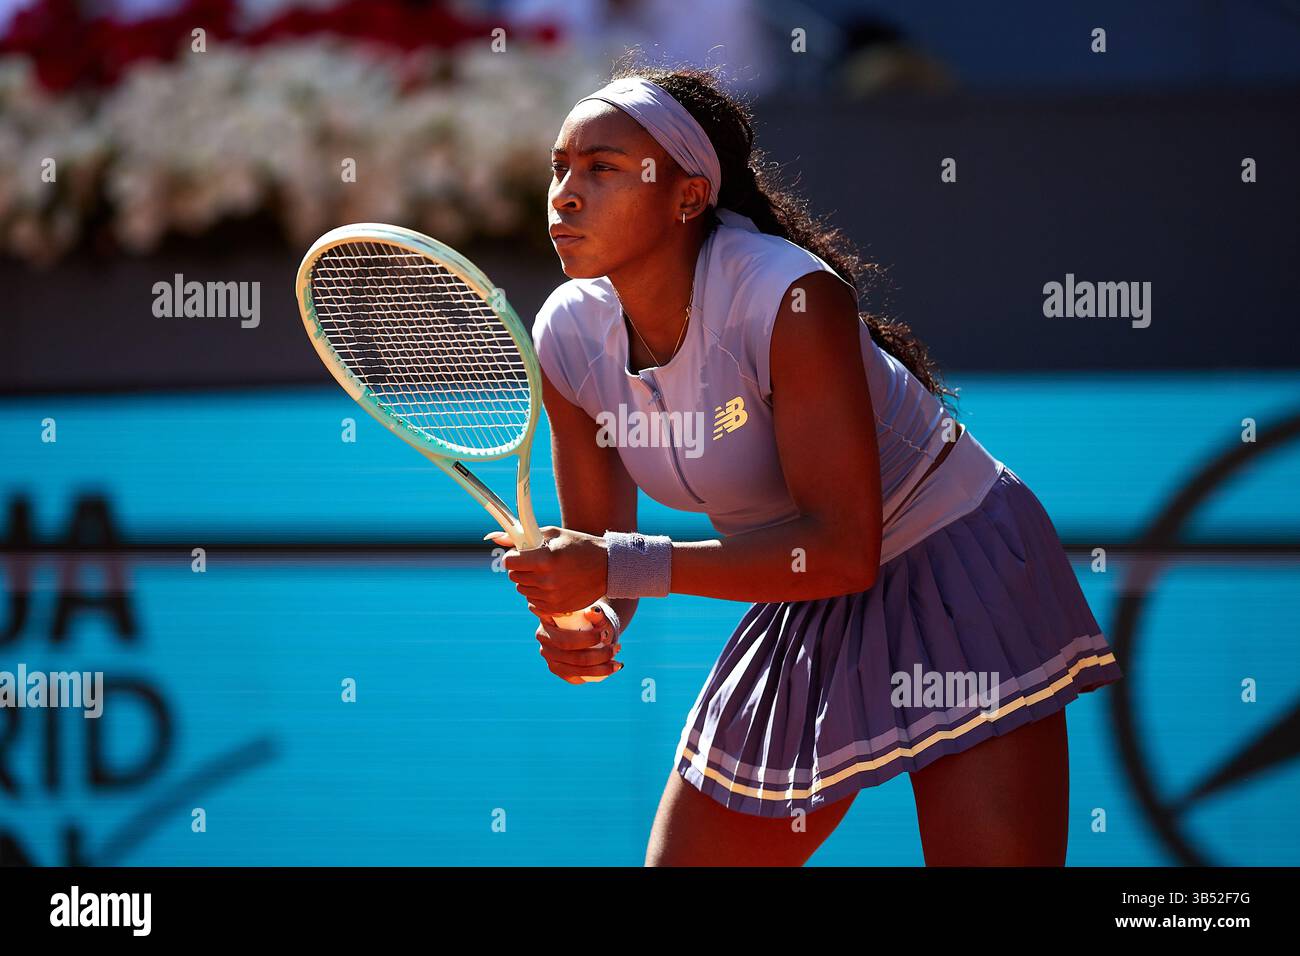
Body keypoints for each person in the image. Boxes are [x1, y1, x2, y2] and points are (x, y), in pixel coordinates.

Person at [488, 58, 1124, 866]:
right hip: (804, 585)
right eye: (560, 170)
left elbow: (840, 549)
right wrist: (595, 617)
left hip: (952, 560)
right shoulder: (568, 336)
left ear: (688, 195)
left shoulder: (789, 297)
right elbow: (605, 548)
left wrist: (615, 566)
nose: (566, 194)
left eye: (603, 169)